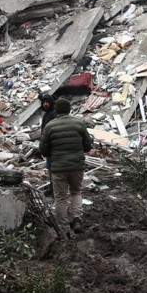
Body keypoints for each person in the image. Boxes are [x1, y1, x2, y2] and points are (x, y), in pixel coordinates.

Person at [39, 98, 93, 236]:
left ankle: (63, 227)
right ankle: (76, 219)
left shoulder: (50, 126)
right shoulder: (79, 123)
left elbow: (43, 150)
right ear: (69, 109)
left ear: (56, 110)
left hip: (58, 168)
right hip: (77, 166)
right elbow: (87, 146)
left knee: (60, 197)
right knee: (76, 192)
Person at [40, 94, 58, 196]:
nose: (45, 104)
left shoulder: (53, 114)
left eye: (47, 102)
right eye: (44, 102)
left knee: (53, 168)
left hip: (53, 147)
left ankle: (53, 189)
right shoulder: (46, 114)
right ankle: (52, 187)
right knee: (50, 168)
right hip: (48, 147)